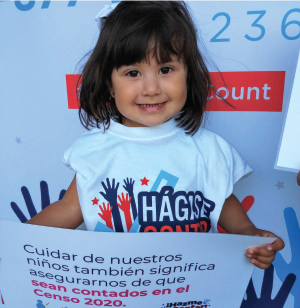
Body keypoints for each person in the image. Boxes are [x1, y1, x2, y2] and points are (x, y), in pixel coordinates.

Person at [27, 0, 284, 270]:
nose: (151, 88)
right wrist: (13, 243)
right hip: (120, 289)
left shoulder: (208, 148)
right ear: (109, 85)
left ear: (188, 75)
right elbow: (69, 209)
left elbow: (226, 207)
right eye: (133, 73)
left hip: (189, 290)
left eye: (165, 70)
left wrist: (251, 237)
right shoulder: (94, 150)